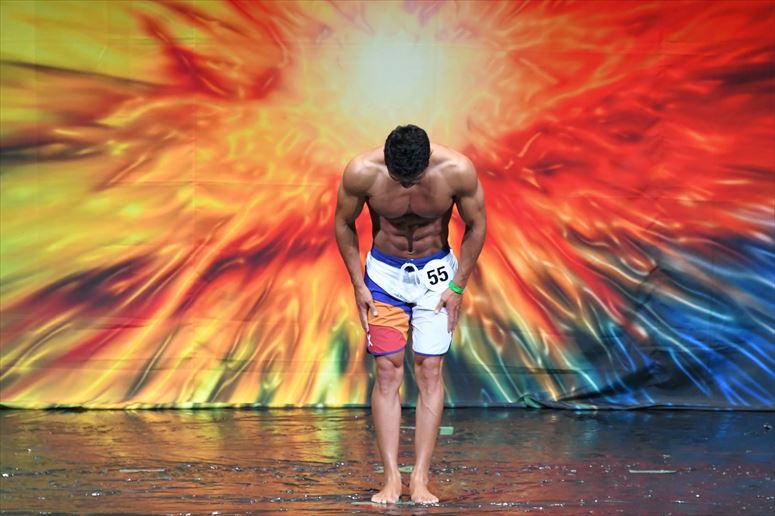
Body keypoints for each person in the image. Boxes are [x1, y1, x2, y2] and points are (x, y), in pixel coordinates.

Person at [334, 124, 487, 504]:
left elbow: (477, 225)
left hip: (437, 278)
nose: (404, 186)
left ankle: (419, 477)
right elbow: (343, 223)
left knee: (429, 369)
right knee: (387, 370)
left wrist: (457, 287)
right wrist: (358, 284)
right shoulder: (362, 171)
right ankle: (390, 477)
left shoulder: (456, 170)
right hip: (384, 279)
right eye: (397, 178)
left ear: (427, 162)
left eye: (412, 179)